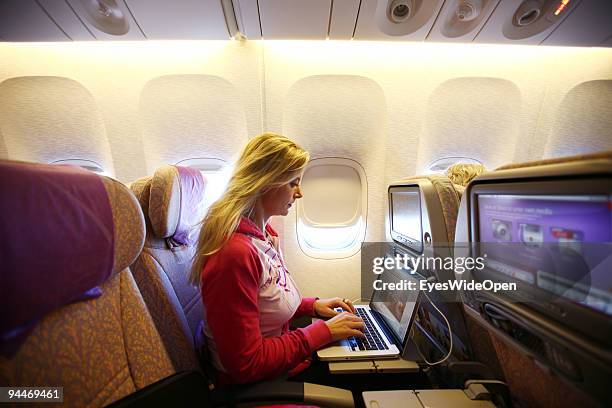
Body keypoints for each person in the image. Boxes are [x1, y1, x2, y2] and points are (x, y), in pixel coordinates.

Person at [190, 132, 365, 385]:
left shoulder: (264, 236)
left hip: (283, 366)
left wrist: (311, 307)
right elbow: (246, 365)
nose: (300, 193)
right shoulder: (234, 256)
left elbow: (261, 301)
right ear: (266, 182)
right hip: (258, 385)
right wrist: (321, 332)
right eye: (293, 182)